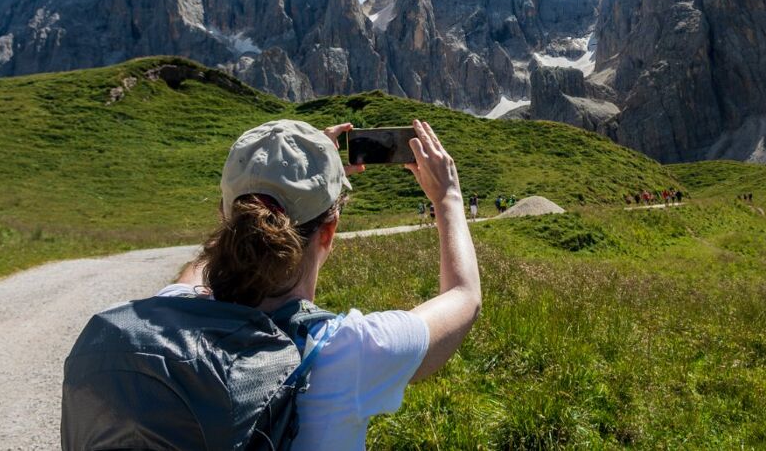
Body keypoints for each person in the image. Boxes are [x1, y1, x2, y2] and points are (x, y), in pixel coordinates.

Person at [62, 119, 481, 450]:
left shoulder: (165, 320)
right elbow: (464, 297)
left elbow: (200, 269)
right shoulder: (349, 353)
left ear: (227, 219)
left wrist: (283, 176)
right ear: (329, 231)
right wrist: (447, 198)